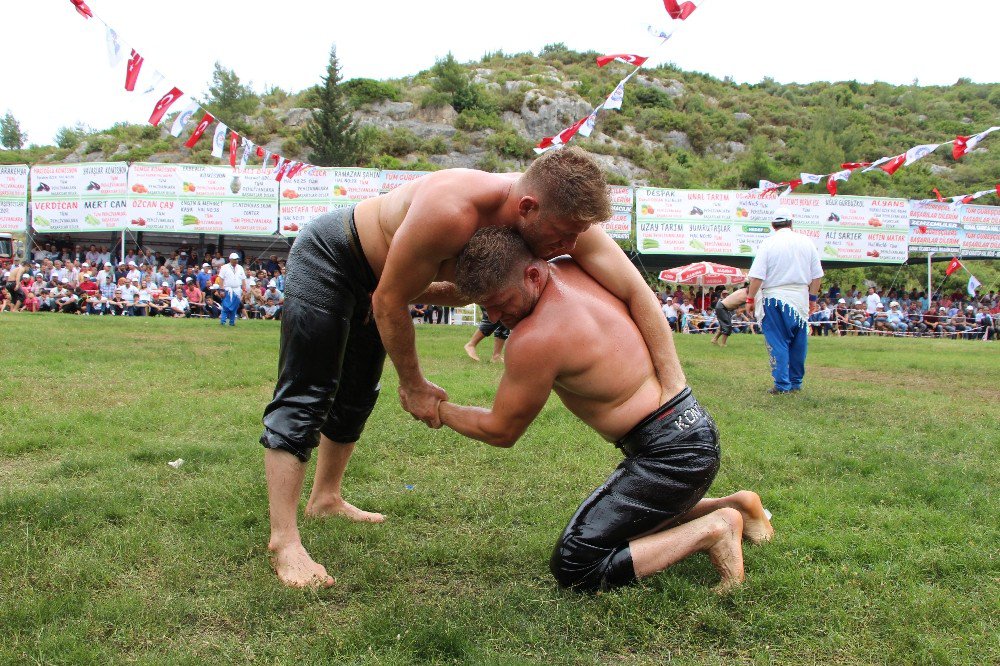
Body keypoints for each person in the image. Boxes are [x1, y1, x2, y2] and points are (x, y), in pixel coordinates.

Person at [260, 147, 676, 589]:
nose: (569, 249)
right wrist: (415, 383)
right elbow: (388, 299)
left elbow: (637, 292)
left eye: (577, 236)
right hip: (332, 254)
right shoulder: (453, 209)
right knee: (308, 392)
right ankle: (284, 541)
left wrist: (673, 385)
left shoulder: (558, 212)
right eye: (563, 236)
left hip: (384, 282)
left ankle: (325, 498)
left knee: (359, 391)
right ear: (529, 209)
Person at [437, 227, 772, 593]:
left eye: (501, 302)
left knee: (576, 562)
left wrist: (438, 408)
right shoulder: (579, 267)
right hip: (691, 430)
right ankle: (738, 505)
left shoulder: (535, 338)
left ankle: (717, 527)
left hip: (670, 456)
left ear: (533, 274)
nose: (496, 316)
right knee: (627, 522)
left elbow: (501, 430)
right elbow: (635, 291)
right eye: (485, 307)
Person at [746, 207, 823, 394]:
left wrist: (750, 298)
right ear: (791, 223)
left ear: (773, 225)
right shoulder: (806, 242)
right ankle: (796, 382)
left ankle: (782, 384)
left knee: (778, 341)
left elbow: (757, 276)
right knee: (799, 341)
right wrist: (812, 299)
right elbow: (817, 276)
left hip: (774, 299)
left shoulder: (768, 243)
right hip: (800, 298)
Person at [218, 252, 246, 326]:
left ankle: (232, 322)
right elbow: (221, 279)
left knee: (235, 306)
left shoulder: (240, 267)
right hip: (227, 289)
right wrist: (222, 290)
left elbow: (243, 279)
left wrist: (244, 289)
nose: (236, 261)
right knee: (226, 306)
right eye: (234, 259)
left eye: (237, 259)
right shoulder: (224, 267)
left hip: (237, 289)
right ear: (230, 259)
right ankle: (223, 321)